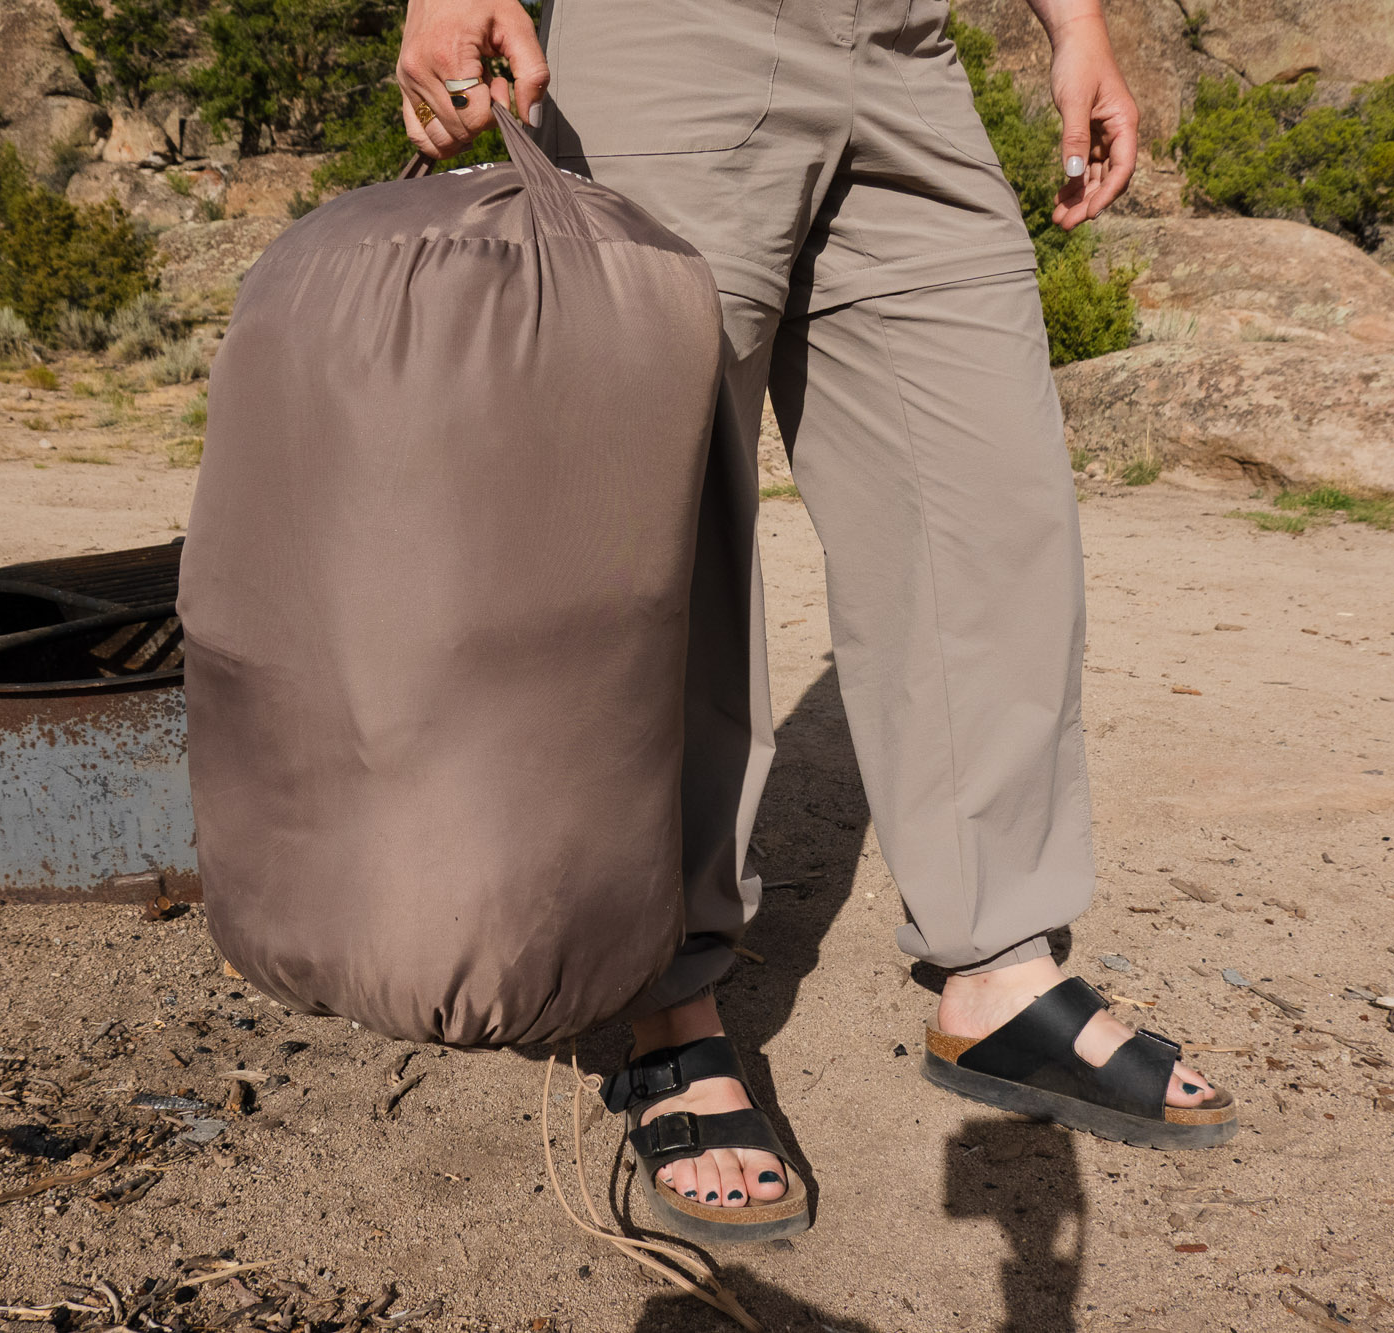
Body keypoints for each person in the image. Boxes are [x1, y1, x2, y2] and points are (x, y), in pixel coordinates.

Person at [395, 0, 1236, 1243]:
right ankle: (660, 992)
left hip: (904, 49)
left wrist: (1076, 24)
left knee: (979, 505)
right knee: (657, 519)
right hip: (667, 33)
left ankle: (998, 965)